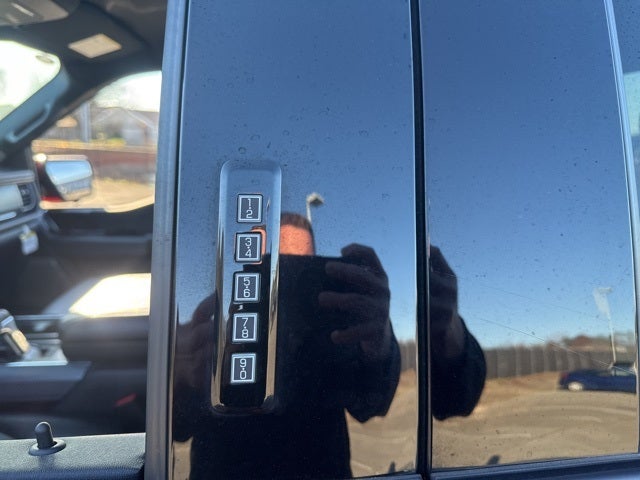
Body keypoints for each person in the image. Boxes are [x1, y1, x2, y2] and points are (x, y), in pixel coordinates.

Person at [173, 213, 485, 478]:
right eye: (274, 268)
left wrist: (391, 345)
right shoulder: (216, 326)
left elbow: (378, 404)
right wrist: (180, 379)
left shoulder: (340, 327)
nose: (289, 284)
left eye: (303, 269)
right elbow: (174, 429)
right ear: (246, 265)